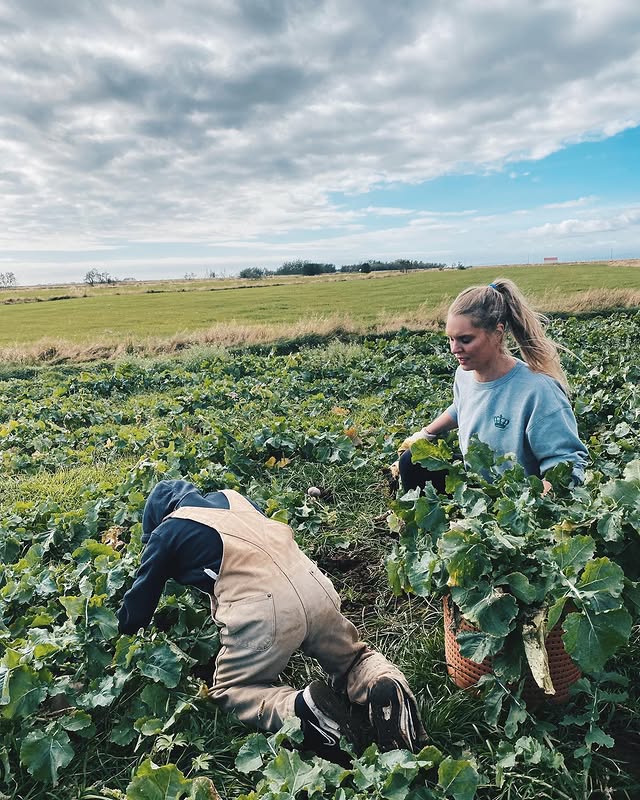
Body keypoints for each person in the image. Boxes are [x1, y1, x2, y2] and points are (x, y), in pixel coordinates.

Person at [118, 479, 426, 764]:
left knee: (232, 690)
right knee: (354, 658)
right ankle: (383, 682)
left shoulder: (167, 531)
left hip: (265, 610)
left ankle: (303, 709)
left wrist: (122, 636)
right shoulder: (233, 498)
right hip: (313, 583)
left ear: (160, 517)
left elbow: (139, 605)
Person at [398, 278, 588, 494]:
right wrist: (426, 433)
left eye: (465, 340)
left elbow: (566, 465)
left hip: (519, 499)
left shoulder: (539, 390)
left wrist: (530, 505)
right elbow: (462, 407)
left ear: (497, 333)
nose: (454, 349)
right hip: (479, 488)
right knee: (411, 461)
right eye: (450, 339)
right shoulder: (464, 375)